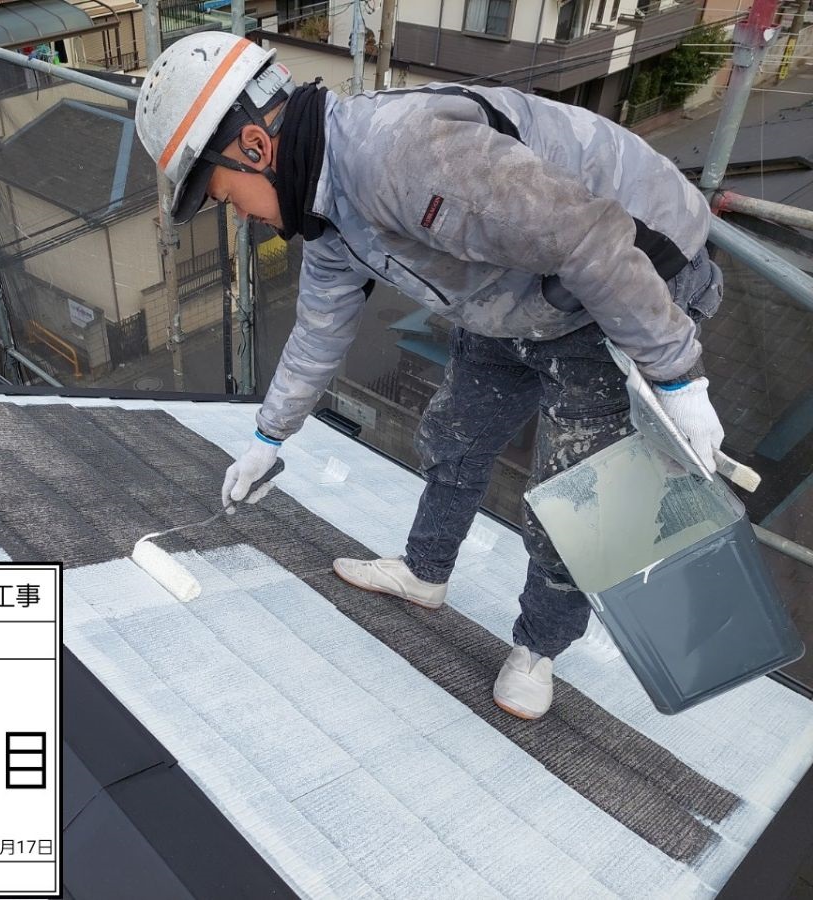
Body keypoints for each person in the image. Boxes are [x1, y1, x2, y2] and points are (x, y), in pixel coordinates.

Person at [134, 33, 726, 719]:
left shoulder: (403, 155)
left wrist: (677, 376)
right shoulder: (326, 215)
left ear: (255, 146)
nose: (238, 214)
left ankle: (539, 649)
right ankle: (425, 572)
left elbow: (588, 239)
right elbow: (321, 328)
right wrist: (269, 438)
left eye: (224, 196)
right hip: (517, 295)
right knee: (454, 438)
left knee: (574, 498)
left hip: (627, 282)